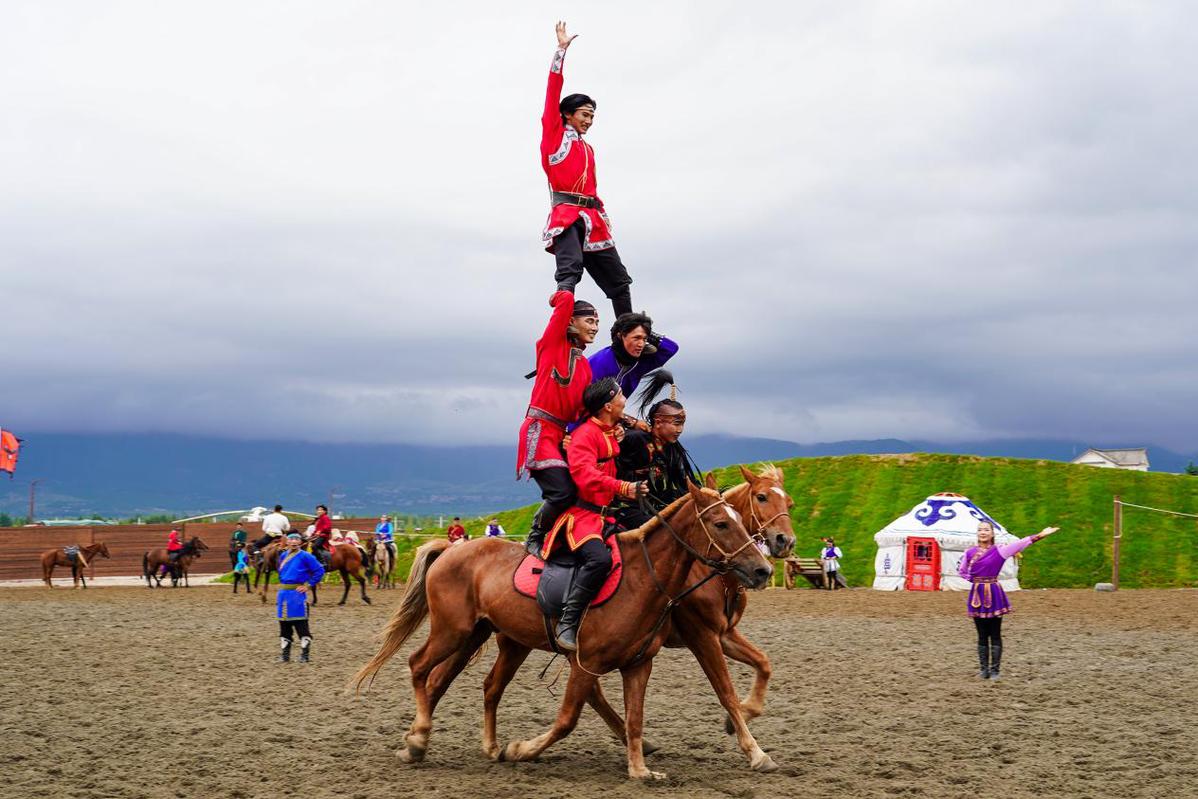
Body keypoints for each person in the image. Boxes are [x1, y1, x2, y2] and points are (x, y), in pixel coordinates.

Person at [542, 378, 647, 651]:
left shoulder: (610, 431)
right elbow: (585, 477)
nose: (625, 399)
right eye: (621, 394)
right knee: (599, 560)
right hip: (582, 517)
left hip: (606, 516)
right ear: (608, 405)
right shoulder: (585, 435)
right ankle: (568, 620)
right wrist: (625, 487)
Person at [540, 21, 634, 320]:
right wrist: (560, 51)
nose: (589, 120)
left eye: (592, 116)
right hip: (567, 215)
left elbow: (592, 188)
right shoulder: (554, 137)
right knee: (570, 272)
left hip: (593, 218)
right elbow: (552, 91)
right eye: (584, 114)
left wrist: (602, 212)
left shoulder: (588, 149)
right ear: (568, 115)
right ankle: (561, 322)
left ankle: (628, 330)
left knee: (619, 281)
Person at [517, 290, 600, 556]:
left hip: (560, 435)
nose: (595, 327)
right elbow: (563, 300)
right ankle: (535, 535)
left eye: (598, 322)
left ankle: (562, 538)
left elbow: (582, 412)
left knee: (580, 490)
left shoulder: (585, 366)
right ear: (571, 321)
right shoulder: (552, 345)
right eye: (589, 321)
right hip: (539, 431)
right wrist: (566, 280)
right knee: (562, 492)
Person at [958, 520, 1061, 680]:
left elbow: (1020, 544)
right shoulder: (969, 553)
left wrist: (1040, 535)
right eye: (980, 530)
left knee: (995, 633)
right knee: (982, 634)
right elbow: (963, 571)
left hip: (994, 593)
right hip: (977, 594)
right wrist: (975, 581)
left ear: (992, 533)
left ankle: (995, 671)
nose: (983, 532)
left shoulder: (1000, 551)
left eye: (986, 530)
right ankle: (984, 670)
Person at [611, 371, 699, 530]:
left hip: (656, 506)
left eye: (682, 424)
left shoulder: (673, 449)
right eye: (676, 423)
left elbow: (686, 483)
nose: (680, 430)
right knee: (662, 530)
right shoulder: (635, 439)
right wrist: (630, 422)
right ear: (658, 423)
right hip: (626, 507)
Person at [586, 313, 679, 408]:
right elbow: (586, 404)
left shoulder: (640, 363)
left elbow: (671, 348)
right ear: (620, 336)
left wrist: (645, 329)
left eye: (645, 339)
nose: (641, 344)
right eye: (637, 338)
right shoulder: (600, 361)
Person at [275, 532, 325, 663]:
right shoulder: (283, 555)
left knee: (301, 625)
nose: (293, 542)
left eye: (296, 539)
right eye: (291, 539)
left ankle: (305, 655)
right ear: (287, 541)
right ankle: (285, 656)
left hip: (297, 595)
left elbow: (319, 570)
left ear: (300, 542)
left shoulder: (306, 556)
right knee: (284, 626)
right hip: (283, 595)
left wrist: (308, 585)